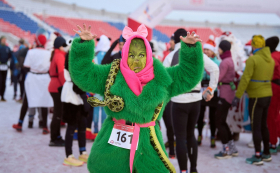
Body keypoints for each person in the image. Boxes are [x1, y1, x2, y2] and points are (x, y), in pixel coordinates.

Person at [69, 23, 203, 173]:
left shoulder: (162, 77)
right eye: (131, 55)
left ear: (148, 54)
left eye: (141, 55)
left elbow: (187, 75)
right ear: (125, 54)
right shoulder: (112, 74)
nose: (137, 61)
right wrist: (83, 45)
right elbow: (85, 74)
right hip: (114, 145)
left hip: (148, 144)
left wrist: (191, 50)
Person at [164, 29, 219, 173]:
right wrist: (211, 89)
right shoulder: (198, 54)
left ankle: (183, 170)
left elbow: (162, 77)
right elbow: (214, 68)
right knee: (190, 135)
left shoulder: (172, 55)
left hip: (178, 100)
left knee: (180, 138)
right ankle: (193, 169)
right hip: (195, 100)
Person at [232, 35, 274, 165]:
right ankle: (266, 153)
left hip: (256, 95)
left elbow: (245, 79)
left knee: (256, 126)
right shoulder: (270, 60)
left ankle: (257, 155)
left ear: (255, 46)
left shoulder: (253, 60)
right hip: (268, 94)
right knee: (263, 125)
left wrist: (237, 96)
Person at [12, 35, 53, 134]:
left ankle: (20, 124)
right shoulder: (49, 53)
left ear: (36, 42)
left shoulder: (31, 52)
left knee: (26, 101)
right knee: (44, 102)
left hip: (33, 77)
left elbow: (26, 66)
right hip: (44, 78)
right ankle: (44, 127)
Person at [61, 52, 89, 166]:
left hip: (78, 95)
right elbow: (75, 83)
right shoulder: (72, 60)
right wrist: (84, 97)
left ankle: (82, 151)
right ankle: (69, 155)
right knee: (72, 126)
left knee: (82, 124)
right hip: (71, 96)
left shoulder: (78, 60)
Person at [214, 40, 238, 159]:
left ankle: (226, 150)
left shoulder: (225, 62)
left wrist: (208, 70)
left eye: (219, 48)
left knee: (219, 121)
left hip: (225, 94)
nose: (218, 50)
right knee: (222, 121)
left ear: (223, 49)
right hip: (228, 93)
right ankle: (231, 147)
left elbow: (218, 78)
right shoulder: (229, 60)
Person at [197, 38, 221, 148]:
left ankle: (212, 137)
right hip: (201, 89)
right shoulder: (200, 60)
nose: (206, 51)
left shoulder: (217, 62)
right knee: (200, 115)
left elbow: (217, 77)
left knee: (213, 115)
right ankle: (200, 135)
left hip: (212, 91)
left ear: (213, 51)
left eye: (208, 49)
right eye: (204, 49)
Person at [49, 36, 67, 146]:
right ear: (59, 46)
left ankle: (56, 136)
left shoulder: (56, 54)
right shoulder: (59, 56)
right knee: (57, 113)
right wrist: (66, 86)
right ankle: (54, 138)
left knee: (58, 112)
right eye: (63, 45)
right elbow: (61, 73)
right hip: (57, 87)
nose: (65, 48)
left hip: (54, 85)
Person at [92, 35, 110, 136]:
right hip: (106, 84)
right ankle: (103, 129)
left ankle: (95, 129)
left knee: (96, 106)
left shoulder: (95, 55)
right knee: (104, 107)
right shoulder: (110, 55)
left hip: (97, 83)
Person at [266, 36, 280, 154]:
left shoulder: (271, 57)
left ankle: (273, 143)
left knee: (272, 115)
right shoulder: (279, 55)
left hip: (274, 87)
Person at [0, 36, 15, 101]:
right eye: (3, 39)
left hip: (5, 66)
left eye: (5, 39)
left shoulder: (7, 48)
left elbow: (11, 56)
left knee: (3, 82)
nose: (4, 41)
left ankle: (2, 96)